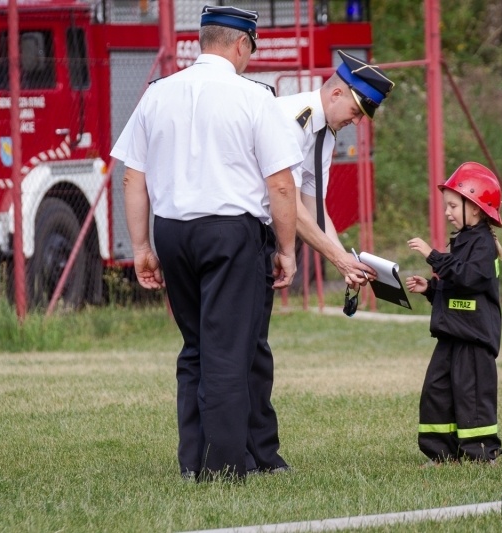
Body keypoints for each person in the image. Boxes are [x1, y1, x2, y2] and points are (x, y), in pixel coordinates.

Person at [110, 5, 302, 482]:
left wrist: (140, 247)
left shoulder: (158, 94)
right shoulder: (254, 97)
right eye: (251, 50)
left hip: (173, 231)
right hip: (230, 232)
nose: (250, 59)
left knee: (195, 347)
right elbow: (280, 186)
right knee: (229, 351)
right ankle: (223, 467)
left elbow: (133, 178)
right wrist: (287, 249)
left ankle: (193, 460)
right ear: (241, 44)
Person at [245, 52, 395, 474]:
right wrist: (336, 258)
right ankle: (239, 454)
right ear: (334, 92)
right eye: (356, 109)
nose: (358, 121)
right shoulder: (293, 117)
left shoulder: (324, 132)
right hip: (241, 233)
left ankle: (261, 454)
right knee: (242, 351)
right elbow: (288, 203)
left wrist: (347, 260)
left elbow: (316, 209)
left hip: (262, 238)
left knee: (256, 351)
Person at [404, 161, 502, 466]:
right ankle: (443, 454)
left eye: (452, 205)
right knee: (437, 391)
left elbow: (467, 278)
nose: (447, 212)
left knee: (472, 396)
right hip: (452, 334)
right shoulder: (462, 241)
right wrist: (431, 291)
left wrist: (431, 255)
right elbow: (455, 289)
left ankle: (481, 454)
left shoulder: (484, 245)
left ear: (475, 208)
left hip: (474, 338)